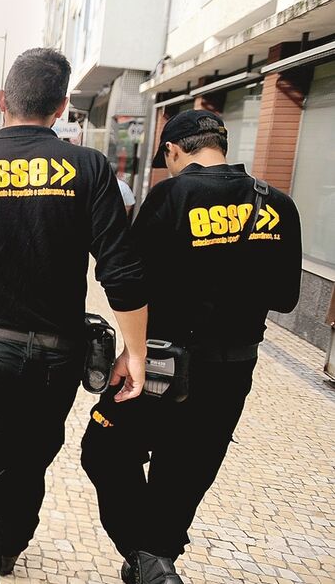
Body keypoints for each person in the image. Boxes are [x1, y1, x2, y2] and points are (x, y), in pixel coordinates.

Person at [0, 47, 149, 584]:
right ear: (61, 107)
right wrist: (136, 352)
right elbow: (122, 272)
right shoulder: (89, 168)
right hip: (56, 358)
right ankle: (7, 550)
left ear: (2, 102)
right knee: (29, 463)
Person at [81, 110, 302, 584]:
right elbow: (286, 298)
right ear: (221, 145)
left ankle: (146, 558)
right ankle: (156, 556)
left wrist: (131, 349)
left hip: (162, 365)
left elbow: (131, 285)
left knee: (103, 448)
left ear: (173, 151)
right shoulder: (278, 204)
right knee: (184, 472)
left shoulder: (170, 197)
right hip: (233, 370)